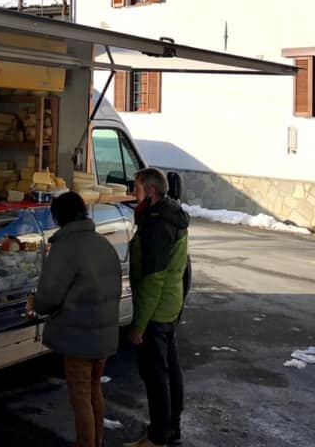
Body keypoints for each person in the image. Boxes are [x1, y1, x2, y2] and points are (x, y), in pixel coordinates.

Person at [32, 192, 123, 447]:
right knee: (94, 388)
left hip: (78, 336)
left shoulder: (65, 248)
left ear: (58, 217)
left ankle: (86, 443)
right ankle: (97, 440)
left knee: (80, 395)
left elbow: (49, 296)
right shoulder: (102, 243)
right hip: (103, 333)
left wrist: (37, 306)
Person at [125, 168, 190, 447]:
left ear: (150, 191)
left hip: (158, 308)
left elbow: (153, 279)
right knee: (170, 369)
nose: (133, 192)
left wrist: (139, 325)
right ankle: (171, 427)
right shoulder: (171, 213)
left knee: (155, 374)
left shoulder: (156, 224)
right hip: (171, 303)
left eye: (137, 187)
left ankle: (157, 436)